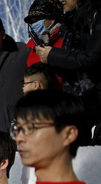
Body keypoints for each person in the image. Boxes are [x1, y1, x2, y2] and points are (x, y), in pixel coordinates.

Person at [36, 0, 101, 145]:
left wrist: (52, 55)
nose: (60, 0)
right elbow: (75, 64)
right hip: (82, 102)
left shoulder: (96, 14)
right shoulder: (71, 22)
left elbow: (92, 57)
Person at [24, 0, 64, 66]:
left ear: (52, 18)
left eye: (38, 19)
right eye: (32, 22)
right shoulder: (29, 47)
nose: (34, 24)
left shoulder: (67, 38)